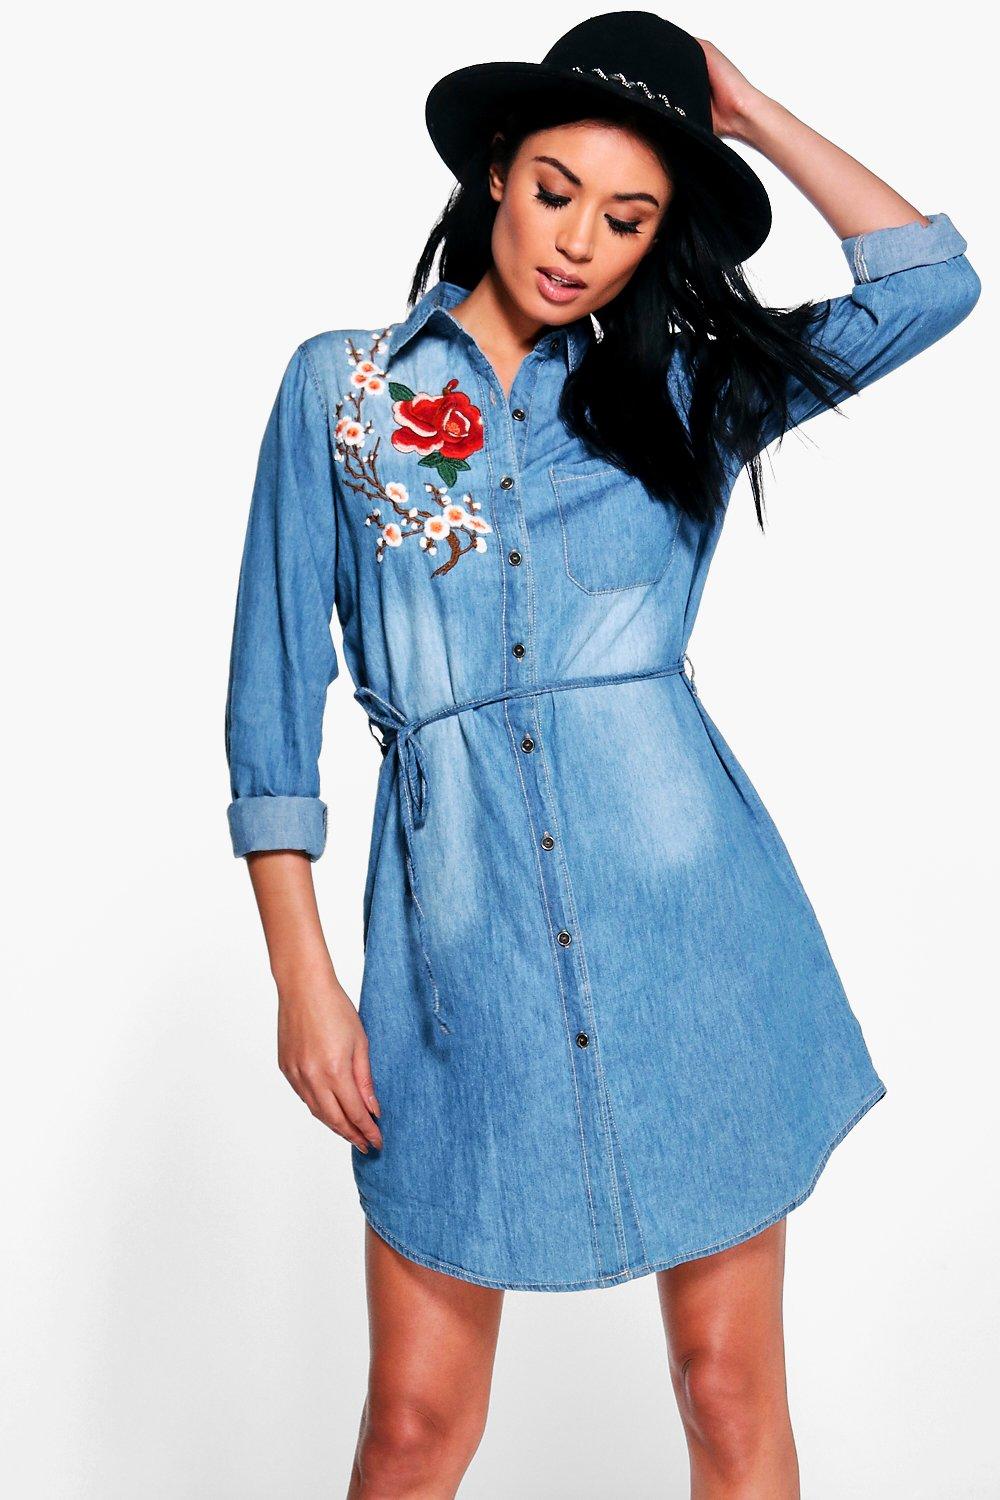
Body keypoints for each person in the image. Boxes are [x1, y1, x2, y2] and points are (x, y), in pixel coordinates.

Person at [224, 12, 981, 1496]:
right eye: (557, 191)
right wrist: (302, 975)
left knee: (726, 1395)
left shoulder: (686, 396)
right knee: (415, 1427)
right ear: (496, 171)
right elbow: (271, 698)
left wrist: (746, 114)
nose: (579, 241)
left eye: (629, 218)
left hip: (692, 945)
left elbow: (930, 283)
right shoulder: (344, 394)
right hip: (459, 959)